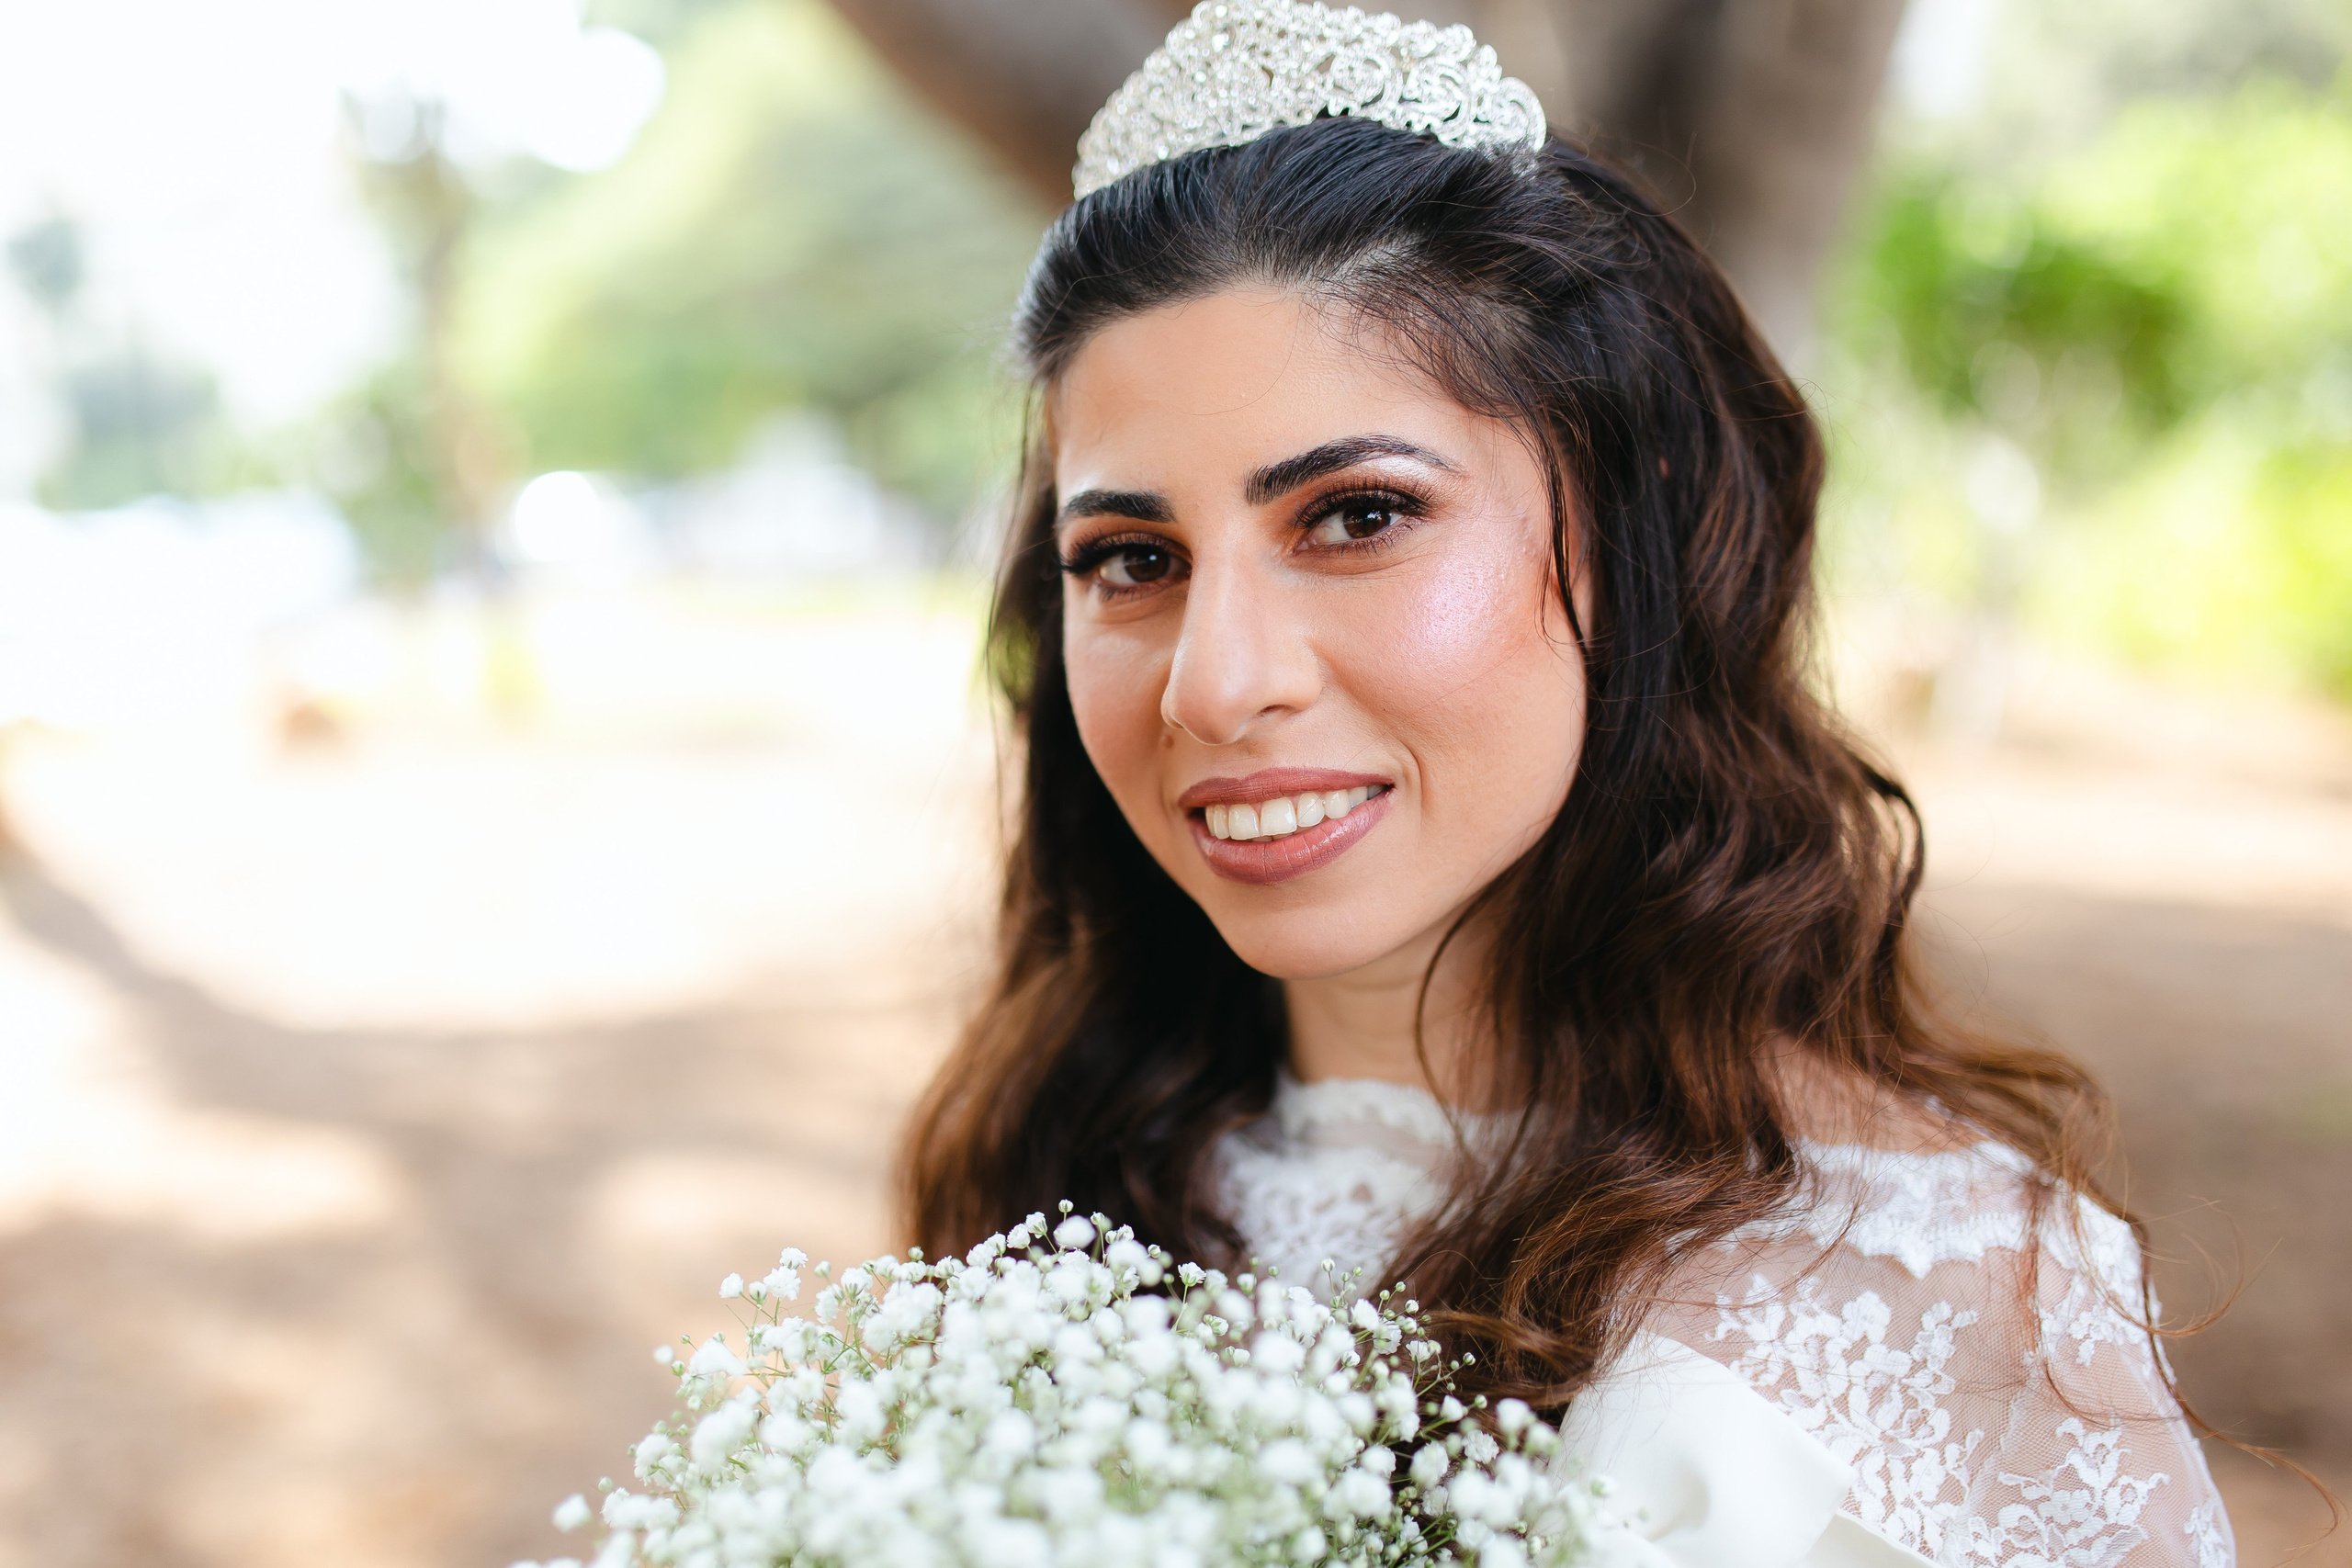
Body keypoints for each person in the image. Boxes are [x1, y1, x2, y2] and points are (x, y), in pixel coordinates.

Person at [901, 4, 2233, 1562]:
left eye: (1353, 518)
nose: (1215, 678)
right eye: (1131, 558)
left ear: (1631, 525)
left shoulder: (1940, 1297)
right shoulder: (1070, 1170)